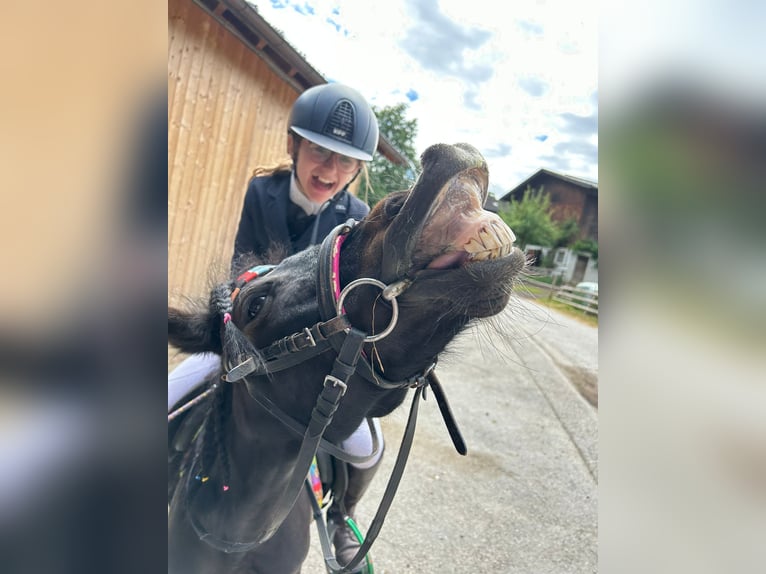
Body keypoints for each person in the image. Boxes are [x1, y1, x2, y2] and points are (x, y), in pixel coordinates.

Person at [168, 82, 384, 572]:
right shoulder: (261, 192)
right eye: (319, 152)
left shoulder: (358, 221)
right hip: (248, 336)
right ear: (294, 145)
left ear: (357, 170)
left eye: (344, 162)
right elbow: (242, 269)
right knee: (164, 393)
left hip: (312, 357)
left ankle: (340, 517)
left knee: (365, 447)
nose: (329, 171)